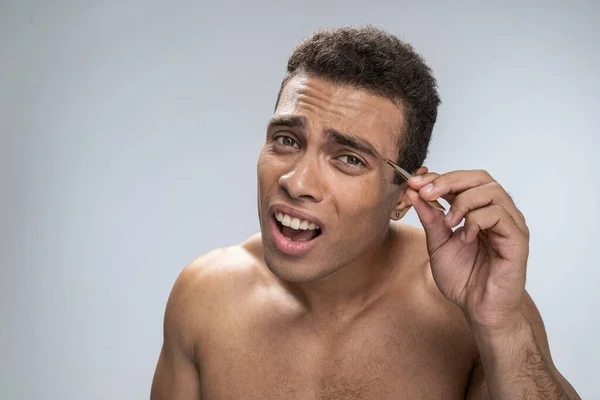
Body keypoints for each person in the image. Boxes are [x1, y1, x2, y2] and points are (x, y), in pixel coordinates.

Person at [150, 26, 580, 399]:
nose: (296, 183)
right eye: (286, 140)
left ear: (403, 196)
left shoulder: (467, 309)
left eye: (350, 159)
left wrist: (501, 328)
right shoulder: (204, 297)